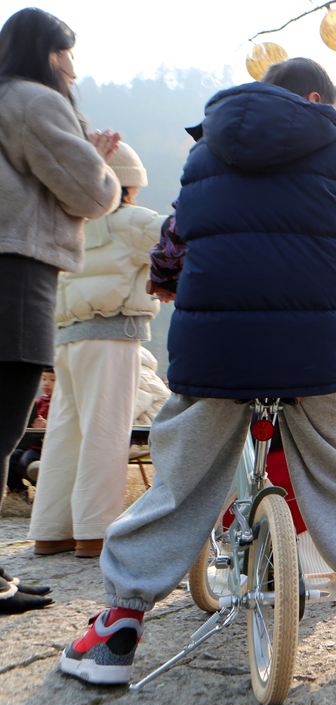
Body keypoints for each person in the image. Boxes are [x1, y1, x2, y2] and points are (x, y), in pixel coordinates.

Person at [59, 58, 336, 687]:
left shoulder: (205, 156)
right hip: (314, 352)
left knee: (182, 478)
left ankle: (118, 625)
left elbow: (173, 245)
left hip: (214, 352)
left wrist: (172, 287)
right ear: (313, 99)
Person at [0, 7, 118, 614]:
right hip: (16, 268)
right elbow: (93, 192)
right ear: (49, 53)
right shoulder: (30, 100)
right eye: (67, 53)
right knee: (3, 423)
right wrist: (97, 157)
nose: (73, 67)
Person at [29, 142, 165, 559]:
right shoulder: (132, 221)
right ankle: (94, 532)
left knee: (64, 435)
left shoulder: (72, 221)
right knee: (106, 432)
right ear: (129, 184)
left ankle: (51, 531)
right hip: (112, 333)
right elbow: (181, 242)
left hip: (67, 338)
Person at [6, 367, 53, 499]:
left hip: (44, 448)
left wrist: (47, 425)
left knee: (28, 460)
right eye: (43, 379)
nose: (46, 383)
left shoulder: (62, 403)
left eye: (52, 380)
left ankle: (44, 492)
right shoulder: (39, 402)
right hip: (31, 444)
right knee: (11, 457)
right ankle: (19, 492)